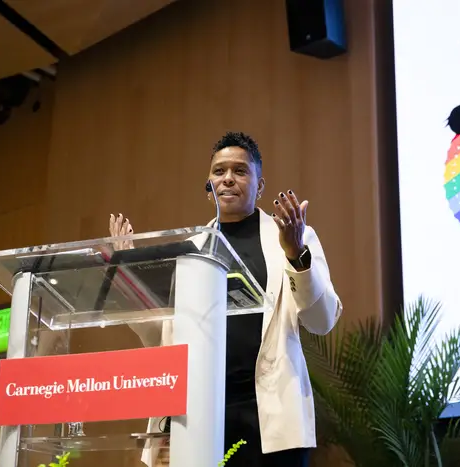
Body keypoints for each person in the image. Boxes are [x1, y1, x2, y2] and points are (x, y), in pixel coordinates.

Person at [108, 131, 342, 467]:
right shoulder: (190, 251)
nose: (228, 179)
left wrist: (296, 255)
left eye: (240, 171)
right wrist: (130, 278)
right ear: (209, 186)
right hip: (202, 410)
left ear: (259, 186)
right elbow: (161, 339)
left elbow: (321, 321)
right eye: (219, 171)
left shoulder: (291, 238)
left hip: (268, 413)